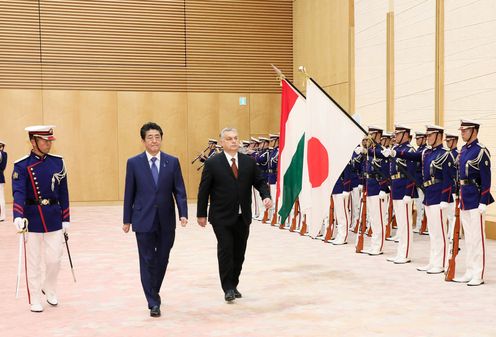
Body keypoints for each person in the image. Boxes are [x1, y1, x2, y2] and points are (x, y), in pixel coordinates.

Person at [197, 127, 272, 302]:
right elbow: (204, 190)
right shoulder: (212, 163)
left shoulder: (248, 162)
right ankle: (227, 287)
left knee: (239, 252)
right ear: (222, 142)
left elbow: (260, 182)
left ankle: (234, 283)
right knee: (226, 250)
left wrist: (266, 196)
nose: (233, 141)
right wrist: (201, 213)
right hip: (221, 216)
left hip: (242, 216)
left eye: (236, 138)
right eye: (229, 139)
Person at [123, 122, 188, 317]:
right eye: (150, 137)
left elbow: (180, 190)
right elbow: (129, 193)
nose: (154, 140)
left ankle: (154, 290)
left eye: (157, 137)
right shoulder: (133, 163)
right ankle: (153, 301)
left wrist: (183, 213)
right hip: (143, 218)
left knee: (162, 258)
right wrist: (127, 219)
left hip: (166, 219)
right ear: (143, 141)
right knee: (147, 259)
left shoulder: (172, 161)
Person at [12, 126, 70, 312]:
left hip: (53, 215)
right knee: (34, 261)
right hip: (33, 217)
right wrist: (18, 215)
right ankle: (35, 297)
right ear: (33, 142)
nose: (48, 144)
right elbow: (18, 192)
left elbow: (63, 192)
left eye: (49, 140)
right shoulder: (21, 165)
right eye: (44, 141)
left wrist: (66, 218)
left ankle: (49, 287)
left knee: (55, 259)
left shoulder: (58, 162)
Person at [453, 119, 493, 286]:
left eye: (465, 130)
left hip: (476, 199)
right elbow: (459, 175)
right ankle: (469, 270)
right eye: (461, 130)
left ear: (474, 131)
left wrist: (484, 200)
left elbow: (486, 178)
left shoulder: (481, 151)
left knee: (478, 238)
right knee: (468, 238)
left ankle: (478, 273)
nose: (462, 133)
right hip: (464, 198)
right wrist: (457, 194)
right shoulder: (463, 150)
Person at [382, 125, 417, 264]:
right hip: (396, 188)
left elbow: (412, 173)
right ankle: (400, 252)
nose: (395, 136)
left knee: (405, 223)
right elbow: (392, 169)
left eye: (398, 134)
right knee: (400, 224)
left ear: (405, 135)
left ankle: (406, 253)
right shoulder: (395, 149)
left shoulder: (410, 150)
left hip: (404, 189)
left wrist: (409, 192)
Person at [0, 140, 7, 221]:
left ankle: (2, 216)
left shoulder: (3, 154)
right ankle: (2, 216)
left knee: (1, 198)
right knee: (1, 197)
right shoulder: (4, 154)